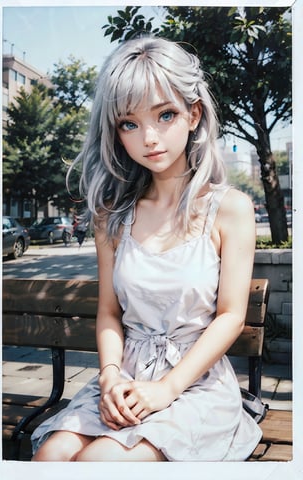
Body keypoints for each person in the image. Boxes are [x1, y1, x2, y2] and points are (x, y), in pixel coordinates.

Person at [31, 35, 262, 462]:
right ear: (115, 131)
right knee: (53, 454)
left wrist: (166, 389)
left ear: (194, 115)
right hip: (126, 377)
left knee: (101, 461)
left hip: (196, 383)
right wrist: (110, 378)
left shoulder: (229, 208)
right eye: (129, 123)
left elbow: (231, 315)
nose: (149, 137)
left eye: (166, 115)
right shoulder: (112, 215)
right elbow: (109, 312)